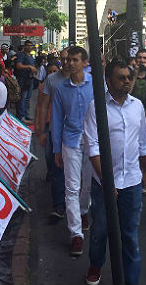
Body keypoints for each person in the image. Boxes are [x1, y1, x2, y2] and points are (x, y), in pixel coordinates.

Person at [83, 59, 146, 285]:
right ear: (108, 81)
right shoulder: (96, 107)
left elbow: (143, 142)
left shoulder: (137, 106)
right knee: (100, 231)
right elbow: (92, 147)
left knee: (130, 236)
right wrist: (106, 181)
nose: (127, 81)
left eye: (129, 77)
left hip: (131, 181)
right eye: (121, 78)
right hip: (103, 183)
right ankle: (95, 265)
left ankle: (130, 280)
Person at [51, 46, 94, 256]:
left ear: (85, 63)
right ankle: (76, 234)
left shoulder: (97, 85)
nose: (69, 63)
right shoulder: (60, 88)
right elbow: (57, 119)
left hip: (92, 142)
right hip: (70, 142)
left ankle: (84, 210)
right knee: (71, 188)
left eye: (74, 60)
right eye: (67, 60)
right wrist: (56, 149)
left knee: (87, 186)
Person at [36, 50, 69, 218]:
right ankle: (59, 205)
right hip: (54, 131)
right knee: (56, 166)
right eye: (62, 59)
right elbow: (42, 106)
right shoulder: (51, 80)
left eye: (69, 59)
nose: (66, 62)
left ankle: (77, 207)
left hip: (76, 135)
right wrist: (40, 130)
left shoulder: (85, 80)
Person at [15, 40, 37, 123]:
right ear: (24, 46)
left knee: (28, 98)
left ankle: (26, 114)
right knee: (22, 98)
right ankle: (21, 116)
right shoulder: (21, 55)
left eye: (31, 45)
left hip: (30, 80)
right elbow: (18, 65)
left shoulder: (31, 56)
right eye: (28, 45)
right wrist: (29, 67)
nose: (29, 47)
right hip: (23, 80)